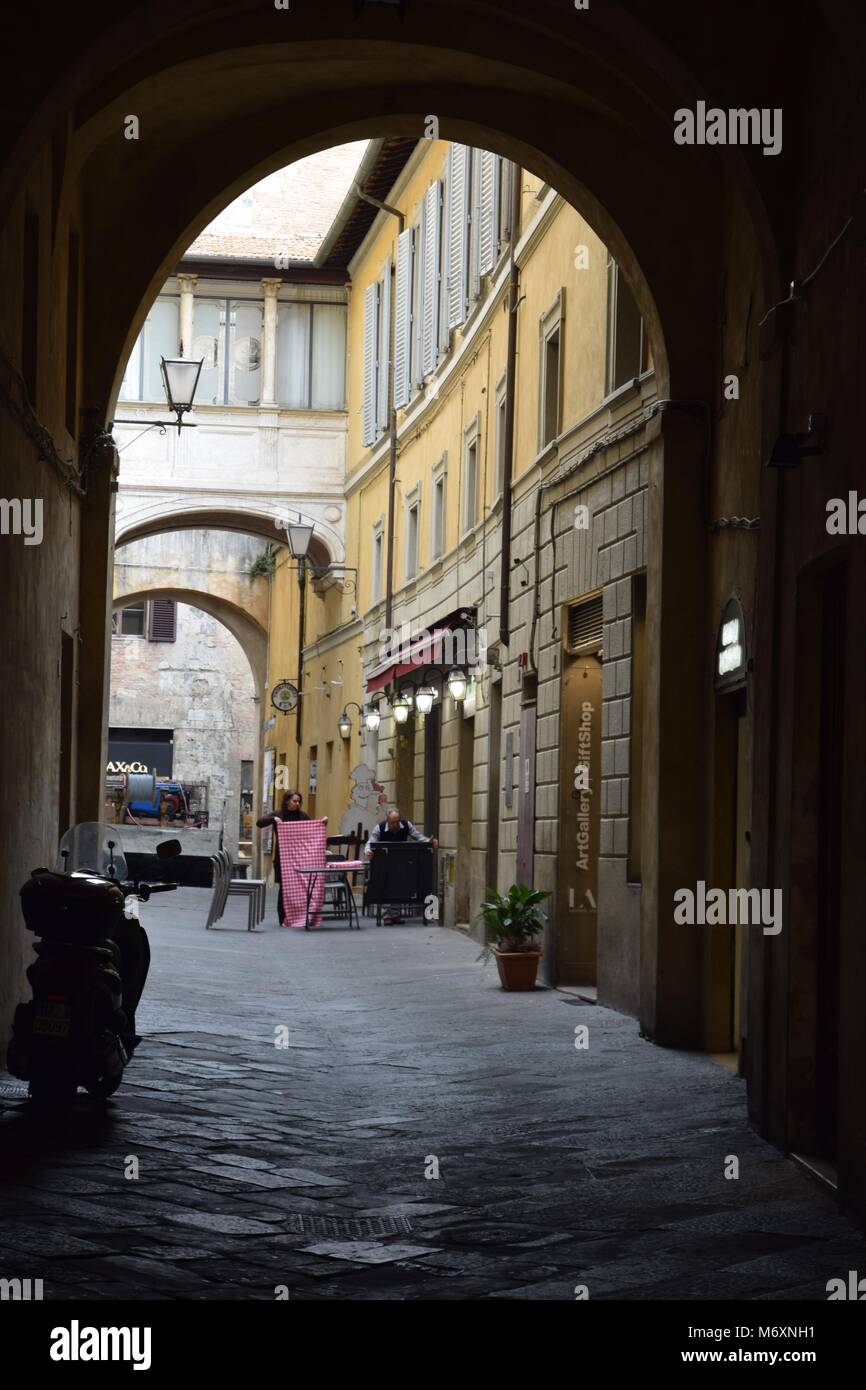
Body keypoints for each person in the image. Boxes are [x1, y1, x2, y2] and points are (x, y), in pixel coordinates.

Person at [257, 790, 322, 923]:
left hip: (299, 857)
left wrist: (322, 823)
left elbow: (313, 828)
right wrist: (273, 819)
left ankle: (299, 915)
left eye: (299, 801)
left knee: (299, 887)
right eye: (294, 801)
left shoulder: (302, 816)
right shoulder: (278, 814)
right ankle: (283, 918)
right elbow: (259, 823)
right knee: (284, 888)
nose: (297, 804)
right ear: (287, 801)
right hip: (282, 858)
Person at [364, 808, 438, 924]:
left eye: (397, 821)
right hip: (385, 862)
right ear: (387, 820)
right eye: (393, 822)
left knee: (399, 886)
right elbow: (370, 842)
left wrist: (429, 841)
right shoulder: (380, 828)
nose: (396, 824)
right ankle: (389, 915)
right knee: (387, 886)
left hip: (401, 861)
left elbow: (418, 836)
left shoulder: (406, 825)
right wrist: (368, 851)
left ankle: (394, 914)